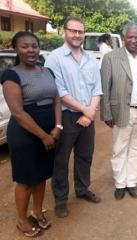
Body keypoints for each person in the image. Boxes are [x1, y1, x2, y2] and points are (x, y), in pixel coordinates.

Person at [1, 32, 62, 237]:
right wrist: (43, 136)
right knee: (26, 179)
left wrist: (58, 127)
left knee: (41, 175)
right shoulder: (12, 75)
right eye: (25, 46)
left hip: (49, 129)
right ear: (16, 49)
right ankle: (21, 219)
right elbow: (18, 113)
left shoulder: (47, 71)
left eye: (34, 46)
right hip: (25, 133)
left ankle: (36, 211)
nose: (31, 50)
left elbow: (56, 100)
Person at [45, 16, 103, 218]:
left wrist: (90, 112)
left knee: (85, 156)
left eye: (80, 31)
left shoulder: (90, 59)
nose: (77, 35)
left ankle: (82, 189)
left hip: (88, 117)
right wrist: (86, 110)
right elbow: (59, 91)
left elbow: (97, 88)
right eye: (73, 31)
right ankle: (61, 199)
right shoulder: (55, 58)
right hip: (67, 117)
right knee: (61, 160)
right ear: (65, 31)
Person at [100, 22, 137, 200]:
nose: (133, 40)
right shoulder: (110, 58)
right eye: (130, 36)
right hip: (120, 112)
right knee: (119, 149)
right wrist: (107, 113)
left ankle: (131, 182)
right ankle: (119, 184)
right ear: (124, 37)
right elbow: (104, 87)